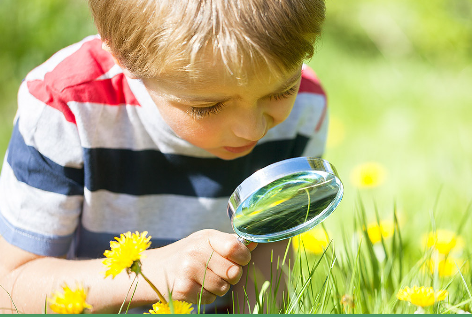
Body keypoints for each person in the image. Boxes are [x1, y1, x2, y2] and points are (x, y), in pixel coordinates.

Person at [0, 0, 327, 313]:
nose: (253, 130)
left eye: (281, 91)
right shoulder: (67, 110)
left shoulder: (305, 108)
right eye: (207, 107)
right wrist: (152, 274)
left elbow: (269, 257)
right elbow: (11, 287)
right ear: (122, 55)